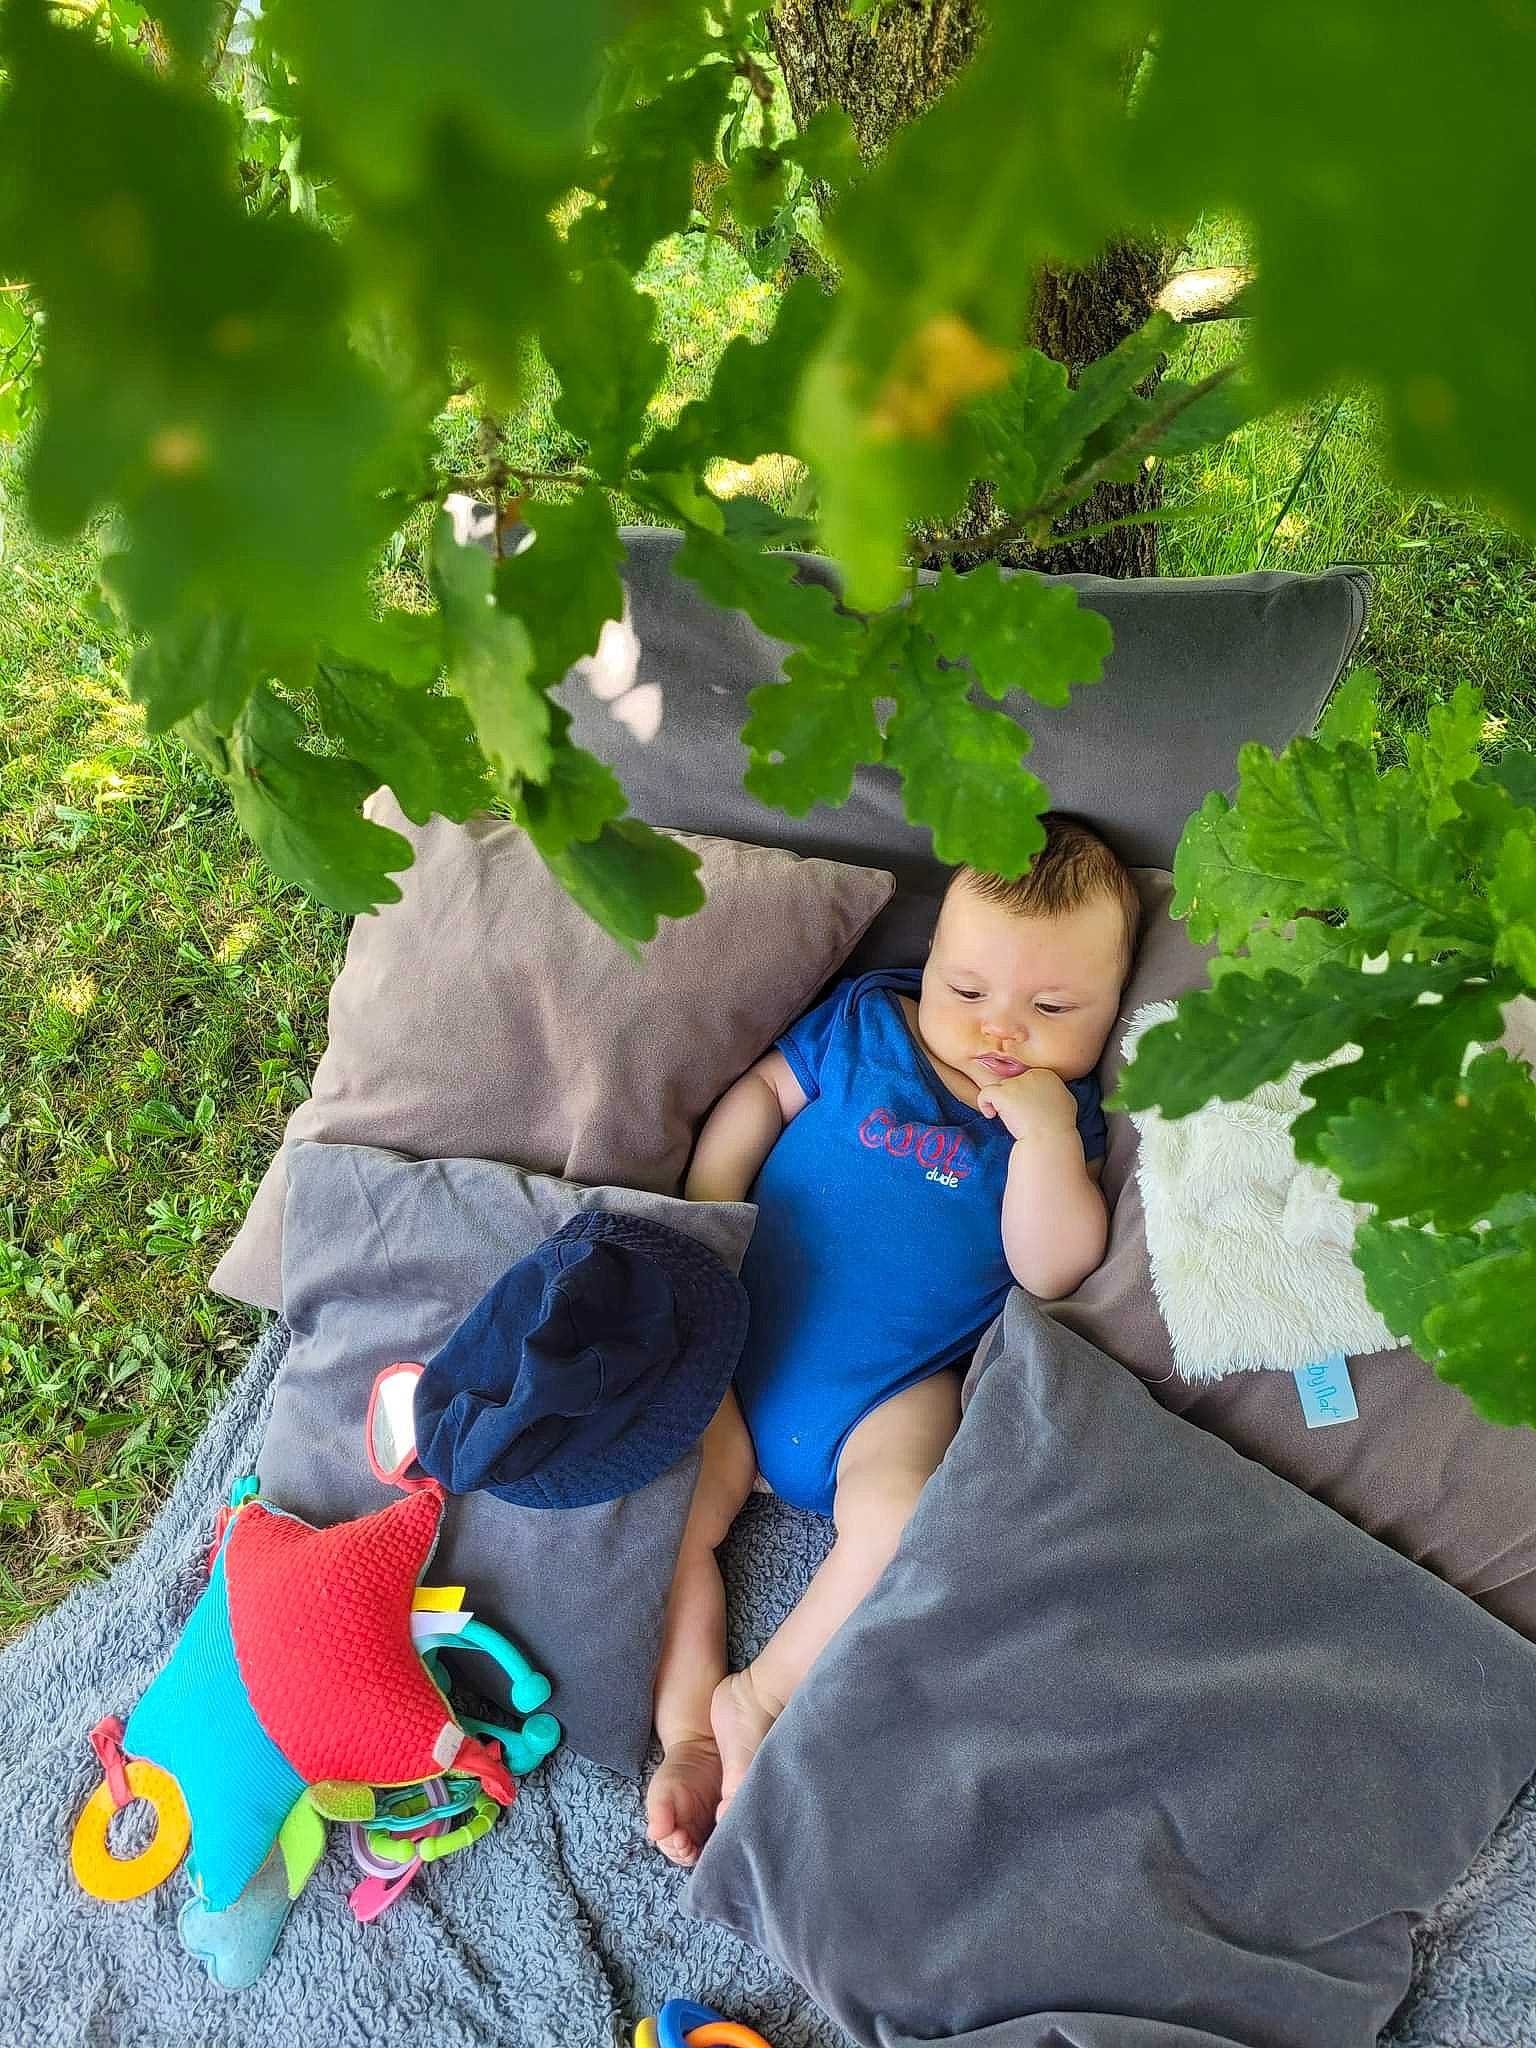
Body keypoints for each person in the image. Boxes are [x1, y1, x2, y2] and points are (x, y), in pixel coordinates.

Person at [644, 816, 1139, 1867]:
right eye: (969, 992)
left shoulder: (1062, 1126)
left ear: (1108, 1013)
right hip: (745, 1338)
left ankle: (758, 1696)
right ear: (932, 970)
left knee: (909, 1514)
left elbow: (1054, 1265)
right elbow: (762, 1095)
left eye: (1052, 1009)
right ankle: (688, 1729)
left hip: (891, 1391)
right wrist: (706, 1219)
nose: (1002, 1029)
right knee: (673, 1521)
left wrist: (1047, 1133)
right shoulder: (873, 1026)